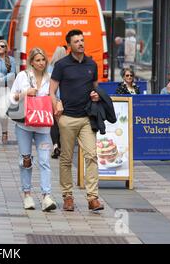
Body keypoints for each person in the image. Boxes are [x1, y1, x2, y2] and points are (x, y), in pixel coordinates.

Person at [49, 29, 105, 212]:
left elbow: (95, 88)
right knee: (66, 158)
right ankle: (68, 197)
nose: (81, 43)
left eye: (82, 40)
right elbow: (51, 91)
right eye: (77, 41)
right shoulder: (61, 65)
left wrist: (96, 95)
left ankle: (92, 198)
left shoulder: (91, 64)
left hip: (87, 118)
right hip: (67, 118)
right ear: (69, 45)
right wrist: (56, 104)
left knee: (92, 156)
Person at [9, 47, 56, 211]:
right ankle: (27, 195)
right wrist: (24, 93)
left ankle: (46, 196)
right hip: (24, 125)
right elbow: (12, 97)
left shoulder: (50, 78)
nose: (41, 63)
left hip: (43, 126)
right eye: (37, 60)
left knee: (44, 160)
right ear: (31, 62)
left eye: (43, 60)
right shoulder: (22, 76)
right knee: (26, 160)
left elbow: (56, 97)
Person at [47, 46, 68, 159]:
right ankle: (62, 146)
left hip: (53, 99)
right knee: (63, 124)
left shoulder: (50, 68)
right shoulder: (67, 67)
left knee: (54, 124)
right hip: (64, 99)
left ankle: (55, 145)